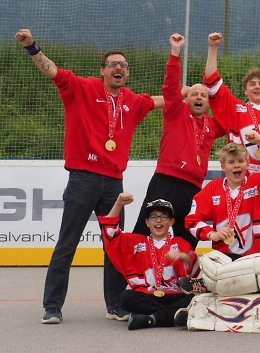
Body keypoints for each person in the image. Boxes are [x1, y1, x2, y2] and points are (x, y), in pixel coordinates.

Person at [16, 29, 163, 324]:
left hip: (114, 183)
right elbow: (52, 71)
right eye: (113, 64)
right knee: (67, 244)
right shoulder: (82, 87)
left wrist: (194, 93)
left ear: (127, 72)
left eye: (123, 65)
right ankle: (52, 307)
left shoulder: (133, 101)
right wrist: (32, 47)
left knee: (114, 246)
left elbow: (163, 100)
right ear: (102, 70)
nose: (119, 68)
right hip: (83, 179)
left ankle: (115, 305)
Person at [132, 34, 224, 248]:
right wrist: (175, 53)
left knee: (188, 240)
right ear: (186, 99)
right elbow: (171, 87)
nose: (199, 97)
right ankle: (130, 270)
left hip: (193, 188)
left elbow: (233, 118)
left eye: (204, 95)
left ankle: (181, 271)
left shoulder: (212, 125)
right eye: (194, 94)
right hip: (166, 180)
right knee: (142, 234)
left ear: (208, 103)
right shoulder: (176, 111)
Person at [99, 194, 198, 330]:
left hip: (174, 294)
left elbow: (194, 266)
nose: (158, 220)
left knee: (193, 297)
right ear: (147, 222)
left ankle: (150, 319)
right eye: (153, 217)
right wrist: (118, 204)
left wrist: (183, 256)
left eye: (164, 217)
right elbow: (110, 233)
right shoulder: (135, 242)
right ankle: (171, 316)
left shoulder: (180, 243)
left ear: (171, 222)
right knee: (126, 297)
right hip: (146, 295)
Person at [184, 136, 260, 259]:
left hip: (257, 257)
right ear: (223, 167)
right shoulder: (213, 188)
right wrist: (212, 234)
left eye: (240, 161)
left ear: (248, 164)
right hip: (224, 257)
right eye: (231, 162)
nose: (236, 165)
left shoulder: (258, 183)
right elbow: (191, 220)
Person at [203, 31, 260, 169]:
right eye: (252, 84)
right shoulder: (236, 109)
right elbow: (212, 83)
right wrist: (213, 48)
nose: (257, 87)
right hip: (241, 175)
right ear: (245, 90)